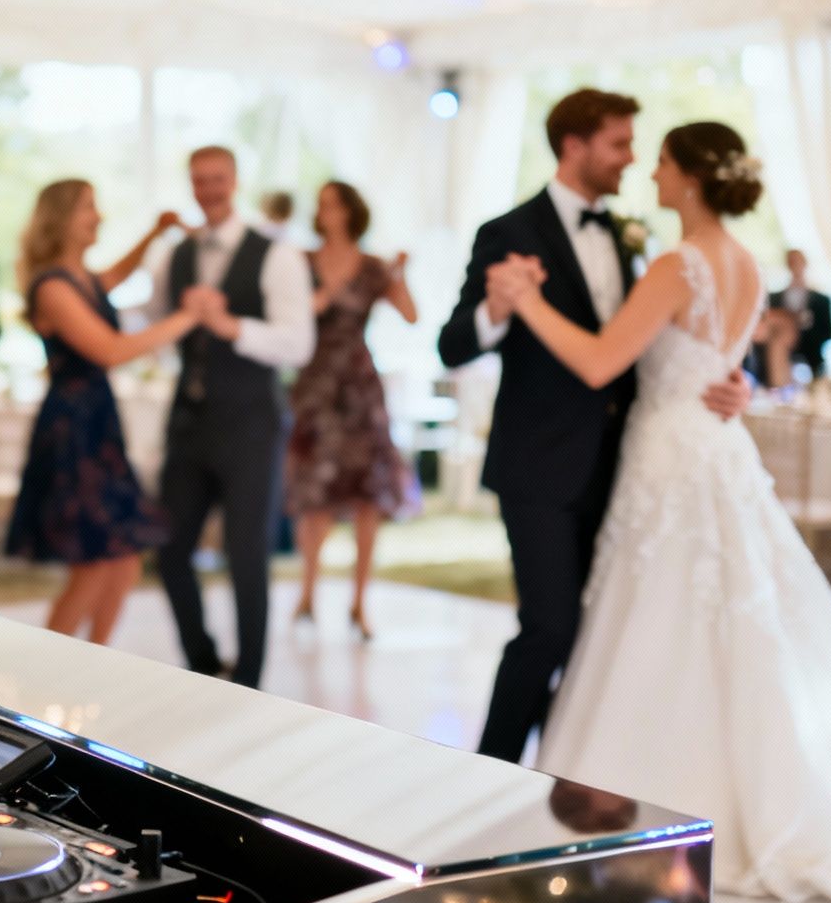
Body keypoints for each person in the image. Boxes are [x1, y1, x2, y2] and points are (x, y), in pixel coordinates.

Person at [486, 121, 831, 903]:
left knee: (669, 616)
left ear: (694, 180)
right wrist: (735, 385)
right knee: (736, 618)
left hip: (674, 453)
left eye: (665, 164)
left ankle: (663, 790)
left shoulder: (678, 264)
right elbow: (720, 363)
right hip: (712, 445)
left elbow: (602, 359)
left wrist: (529, 300)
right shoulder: (744, 262)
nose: (653, 174)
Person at [437, 89, 749, 764]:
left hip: (630, 464)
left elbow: (658, 342)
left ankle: (570, 764)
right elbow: (453, 345)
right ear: (574, 146)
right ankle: (488, 771)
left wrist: (724, 380)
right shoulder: (508, 232)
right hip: (540, 464)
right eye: (618, 144)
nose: (631, 159)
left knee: (603, 634)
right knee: (549, 627)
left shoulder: (632, 235)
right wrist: (496, 308)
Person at [147, 146, 316, 687]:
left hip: (250, 424)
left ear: (235, 180)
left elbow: (298, 344)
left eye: (217, 179)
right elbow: (154, 324)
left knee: (247, 557)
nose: (208, 189)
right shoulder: (176, 255)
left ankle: (249, 682)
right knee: (170, 550)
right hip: (188, 423)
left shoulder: (277, 255)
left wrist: (232, 328)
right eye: (199, 180)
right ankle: (200, 662)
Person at [6, 181, 189, 643]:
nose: (99, 217)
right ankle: (46, 672)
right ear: (64, 217)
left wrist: (154, 234)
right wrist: (189, 318)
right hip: (74, 428)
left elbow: (118, 275)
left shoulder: (83, 279)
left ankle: (98, 656)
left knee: (126, 553)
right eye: (89, 208)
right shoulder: (51, 286)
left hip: (99, 424)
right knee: (94, 557)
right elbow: (109, 350)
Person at [286, 181, 419, 640]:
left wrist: (399, 275)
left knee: (367, 495)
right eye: (322, 206)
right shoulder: (301, 264)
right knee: (316, 496)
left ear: (350, 211)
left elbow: (411, 314)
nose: (328, 214)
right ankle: (307, 593)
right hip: (317, 386)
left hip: (359, 387)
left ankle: (360, 602)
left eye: (335, 205)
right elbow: (287, 317)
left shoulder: (373, 266)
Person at [771, 249, 831, 374]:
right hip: (781, 360)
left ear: (805, 264)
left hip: (813, 361)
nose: (795, 266)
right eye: (792, 262)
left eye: (798, 262)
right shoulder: (774, 299)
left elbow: (829, 332)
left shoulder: (822, 301)